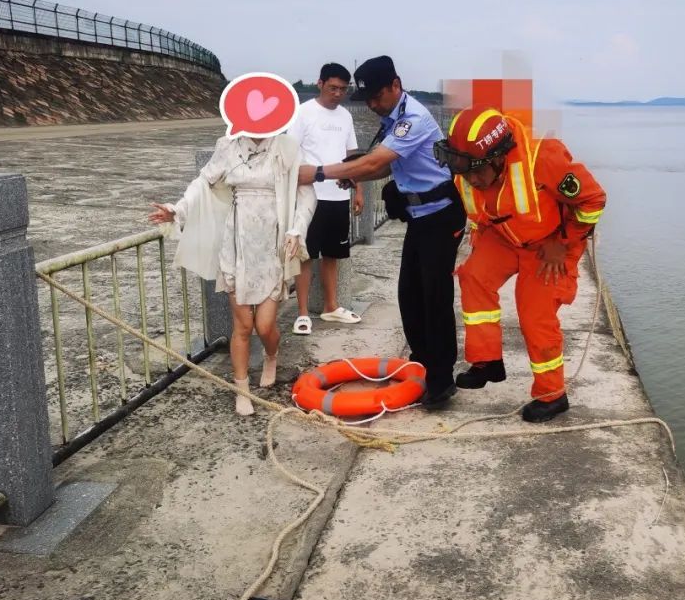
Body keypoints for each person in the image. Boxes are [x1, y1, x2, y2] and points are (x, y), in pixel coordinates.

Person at [298, 56, 465, 408]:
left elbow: (374, 161)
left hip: (441, 216)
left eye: (377, 97)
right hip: (419, 217)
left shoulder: (413, 118)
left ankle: (441, 379)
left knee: (434, 297)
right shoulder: (393, 119)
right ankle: (422, 364)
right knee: (410, 294)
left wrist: (317, 173)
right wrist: (352, 175)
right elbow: (380, 167)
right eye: (368, 99)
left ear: (395, 85)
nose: (372, 105)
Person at [436, 107, 606, 422]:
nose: (471, 179)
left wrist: (563, 243)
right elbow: (484, 205)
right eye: (465, 171)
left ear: (500, 157)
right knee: (473, 276)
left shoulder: (544, 156)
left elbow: (593, 200)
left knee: (535, 316)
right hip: (504, 236)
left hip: (549, 245)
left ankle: (552, 395)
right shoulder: (466, 166)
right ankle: (487, 362)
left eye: (478, 171)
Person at [148, 131, 316, 415]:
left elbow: (306, 192)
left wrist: (297, 228)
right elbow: (202, 183)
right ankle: (242, 389)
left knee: (264, 326)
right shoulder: (228, 147)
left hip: (272, 245)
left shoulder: (287, 147)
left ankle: (271, 355)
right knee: (243, 326)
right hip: (237, 245)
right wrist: (176, 210)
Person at [288, 63, 365, 335]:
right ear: (320, 83)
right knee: (306, 255)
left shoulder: (346, 116)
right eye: (333, 87)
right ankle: (302, 312)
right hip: (309, 197)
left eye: (343, 89)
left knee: (333, 254)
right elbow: (290, 153)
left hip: (339, 195)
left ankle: (331, 306)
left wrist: (359, 190)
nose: (337, 93)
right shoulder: (302, 113)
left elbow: (353, 157)